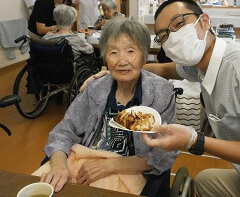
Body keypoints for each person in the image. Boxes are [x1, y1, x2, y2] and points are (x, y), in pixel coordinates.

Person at [82, 0, 240, 197]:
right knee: (203, 181)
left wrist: (194, 140)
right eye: (164, 36)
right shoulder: (201, 66)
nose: (173, 36)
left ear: (205, 21)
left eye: (179, 23)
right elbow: (166, 69)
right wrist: (119, 69)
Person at [40, 17, 178, 196]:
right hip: (88, 162)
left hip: (131, 171)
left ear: (144, 56)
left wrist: (110, 165)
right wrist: (59, 166)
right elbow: (64, 131)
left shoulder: (160, 92)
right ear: (105, 57)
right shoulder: (95, 88)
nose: (122, 61)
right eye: (113, 52)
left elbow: (164, 154)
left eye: (130, 51)